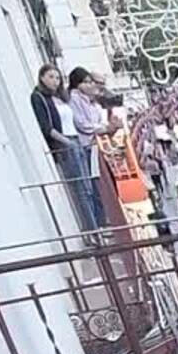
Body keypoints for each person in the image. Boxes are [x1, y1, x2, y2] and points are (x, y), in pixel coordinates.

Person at [28, 65, 100, 236]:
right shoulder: (39, 97)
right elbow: (47, 126)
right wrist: (67, 142)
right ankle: (92, 230)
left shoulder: (61, 97)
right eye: (51, 77)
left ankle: (95, 226)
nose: (55, 81)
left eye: (58, 78)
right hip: (66, 143)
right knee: (81, 189)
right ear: (42, 77)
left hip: (76, 139)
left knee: (88, 187)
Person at [64, 67, 115, 239]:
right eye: (87, 82)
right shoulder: (75, 99)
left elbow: (96, 121)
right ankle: (96, 226)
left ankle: (101, 222)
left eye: (91, 82)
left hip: (95, 144)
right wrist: (102, 129)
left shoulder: (91, 102)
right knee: (89, 188)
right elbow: (83, 124)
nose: (92, 85)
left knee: (97, 186)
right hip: (85, 146)